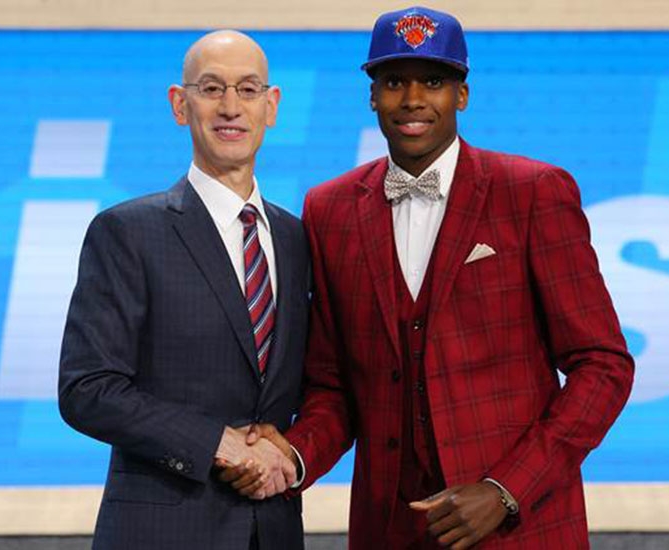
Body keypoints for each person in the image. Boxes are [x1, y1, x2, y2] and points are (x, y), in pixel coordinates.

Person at [229, 7, 634, 549]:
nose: (413, 99)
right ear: (372, 96)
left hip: (521, 529)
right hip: (388, 531)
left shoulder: (532, 192)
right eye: (394, 81)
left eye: (434, 81)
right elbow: (333, 385)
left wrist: (505, 491)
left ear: (461, 95)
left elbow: (602, 367)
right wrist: (291, 455)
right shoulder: (330, 210)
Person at [58, 30, 310, 550]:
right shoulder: (127, 231)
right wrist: (217, 444)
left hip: (275, 529)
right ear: (180, 104)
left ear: (272, 105)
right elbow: (87, 389)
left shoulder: (296, 238)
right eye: (211, 88)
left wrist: (291, 454)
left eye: (247, 89)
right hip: (162, 531)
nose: (230, 107)